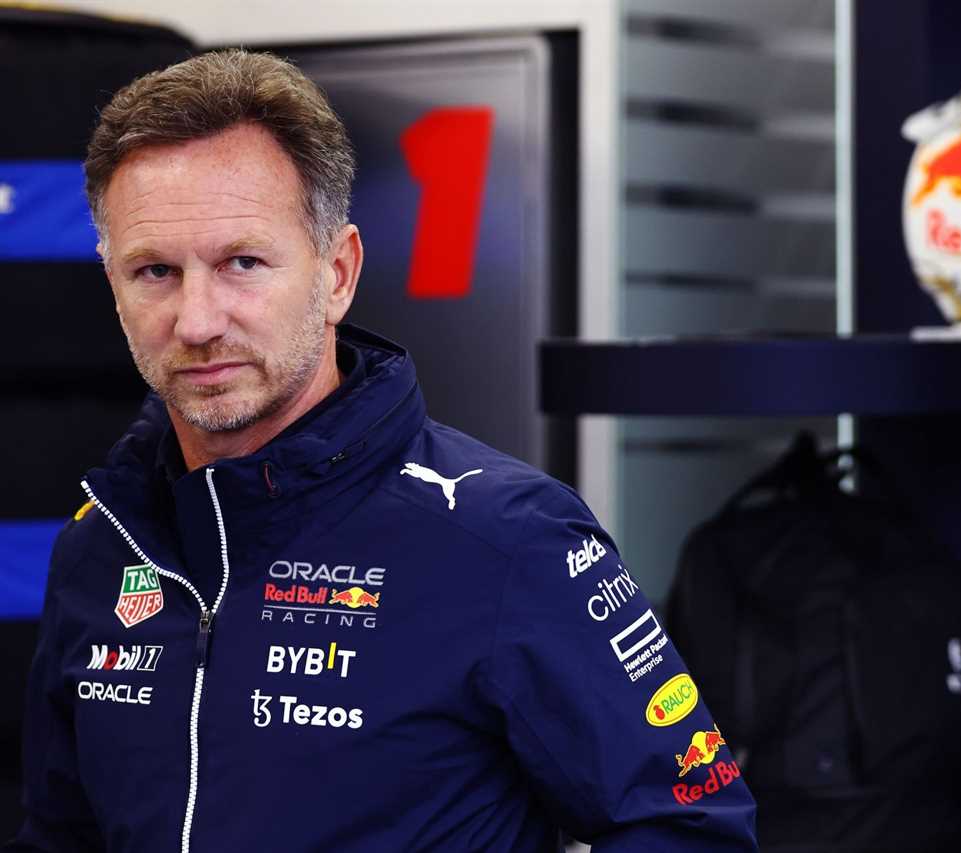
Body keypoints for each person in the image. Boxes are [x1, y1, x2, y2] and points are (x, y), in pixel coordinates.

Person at [7, 49, 756, 852]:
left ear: (337, 273)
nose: (196, 321)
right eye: (154, 270)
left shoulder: (508, 540)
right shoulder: (103, 544)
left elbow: (689, 829)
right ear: (113, 285)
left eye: (243, 263)